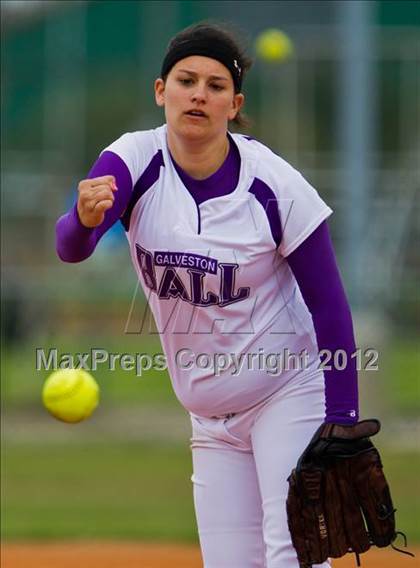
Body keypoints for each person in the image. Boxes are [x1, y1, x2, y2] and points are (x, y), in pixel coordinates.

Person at [56, 22, 359, 568]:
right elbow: (72, 249)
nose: (198, 93)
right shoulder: (133, 161)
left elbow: (330, 304)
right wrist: (80, 221)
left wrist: (343, 419)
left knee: (294, 552)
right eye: (186, 79)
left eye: (216, 85)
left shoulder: (274, 185)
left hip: (286, 389)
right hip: (208, 414)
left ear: (234, 103)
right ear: (160, 91)